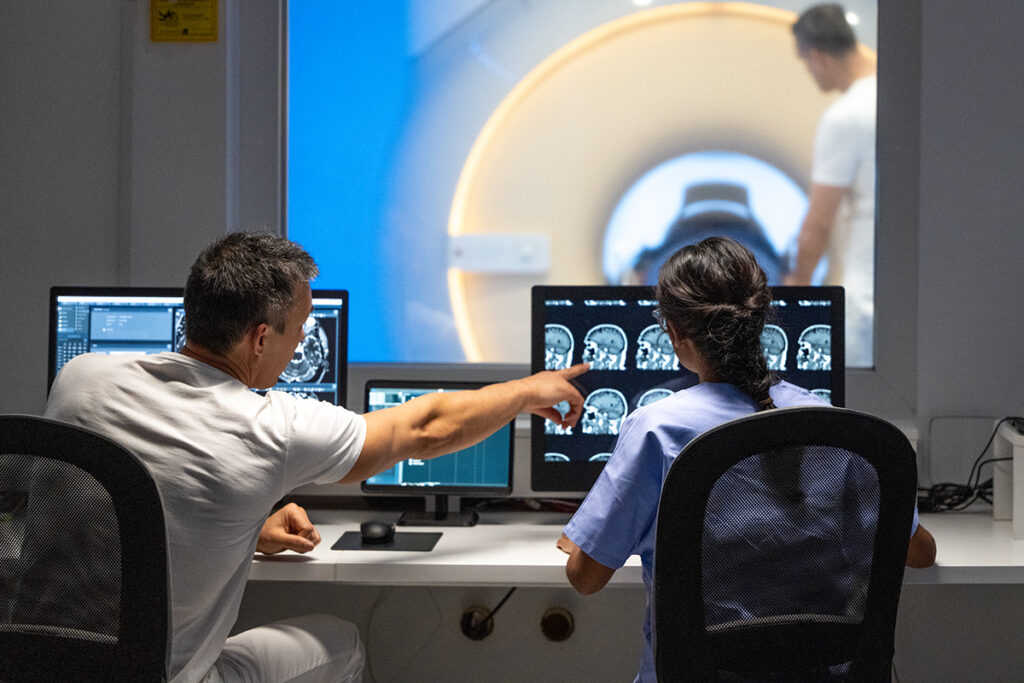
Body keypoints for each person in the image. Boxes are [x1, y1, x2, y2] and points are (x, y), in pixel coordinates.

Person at [44, 231, 589, 683]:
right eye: (302, 330)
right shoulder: (270, 429)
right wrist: (526, 391)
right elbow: (426, 429)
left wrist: (243, 527)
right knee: (341, 641)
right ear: (260, 340)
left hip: (39, 664)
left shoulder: (80, 379)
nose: (302, 340)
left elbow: (122, 506)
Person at [556, 237, 935, 682]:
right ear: (759, 320)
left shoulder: (657, 430)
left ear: (676, 333)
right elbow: (920, 553)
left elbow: (586, 577)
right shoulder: (833, 428)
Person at [785, 4, 877, 367]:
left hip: (865, 296)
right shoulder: (897, 100)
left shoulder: (847, 116)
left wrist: (797, 292)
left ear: (818, 57)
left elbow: (818, 225)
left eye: (804, 62)